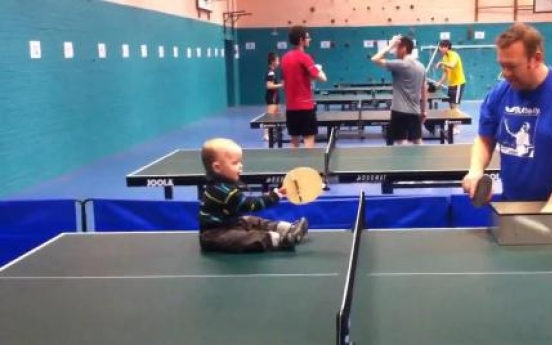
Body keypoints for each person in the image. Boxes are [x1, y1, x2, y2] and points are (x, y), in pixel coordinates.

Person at [462, 23, 552, 212]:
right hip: (512, 205)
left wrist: (548, 211)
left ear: (536, 59)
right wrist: (476, 170)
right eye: (502, 65)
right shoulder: (500, 93)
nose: (505, 73)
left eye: (511, 66)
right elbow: (485, 139)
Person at [198, 138, 309, 252]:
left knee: (251, 220)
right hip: (214, 235)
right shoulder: (223, 191)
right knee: (248, 238)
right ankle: (282, 240)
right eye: (235, 163)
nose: (240, 166)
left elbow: (244, 202)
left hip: (231, 224)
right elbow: (250, 205)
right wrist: (272, 198)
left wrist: (274, 194)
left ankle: (287, 228)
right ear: (217, 167)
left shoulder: (223, 185)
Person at [371, 35, 427, 145]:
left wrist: (389, 45)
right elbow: (424, 89)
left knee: (401, 142)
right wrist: (424, 111)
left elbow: (375, 59)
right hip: (415, 111)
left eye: (396, 48)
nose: (394, 51)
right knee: (417, 141)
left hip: (399, 111)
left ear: (404, 48)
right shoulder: (421, 66)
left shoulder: (400, 64)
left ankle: (405, 162)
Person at [281, 25, 327, 148]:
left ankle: (295, 166)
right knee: (308, 138)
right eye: (308, 37)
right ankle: (309, 166)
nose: (310, 39)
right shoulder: (305, 57)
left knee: (294, 141)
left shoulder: (284, 58)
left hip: (290, 107)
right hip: (305, 106)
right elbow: (323, 78)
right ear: (301, 40)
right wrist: (319, 68)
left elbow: (287, 82)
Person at [435, 39, 466, 134]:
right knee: (451, 107)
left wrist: (441, 63)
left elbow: (452, 66)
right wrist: (439, 83)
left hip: (458, 84)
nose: (439, 48)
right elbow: (445, 73)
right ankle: (452, 126)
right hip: (451, 84)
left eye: (441, 46)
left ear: (447, 47)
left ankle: (456, 128)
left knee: (454, 106)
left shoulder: (454, 55)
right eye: (439, 46)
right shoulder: (445, 57)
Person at [263, 52, 283, 141]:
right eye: (278, 60)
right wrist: (282, 85)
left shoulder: (273, 72)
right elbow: (269, 86)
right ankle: (266, 135)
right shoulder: (270, 72)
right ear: (273, 61)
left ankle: (275, 133)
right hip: (271, 97)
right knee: (269, 117)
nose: (279, 62)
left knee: (277, 116)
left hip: (275, 96)